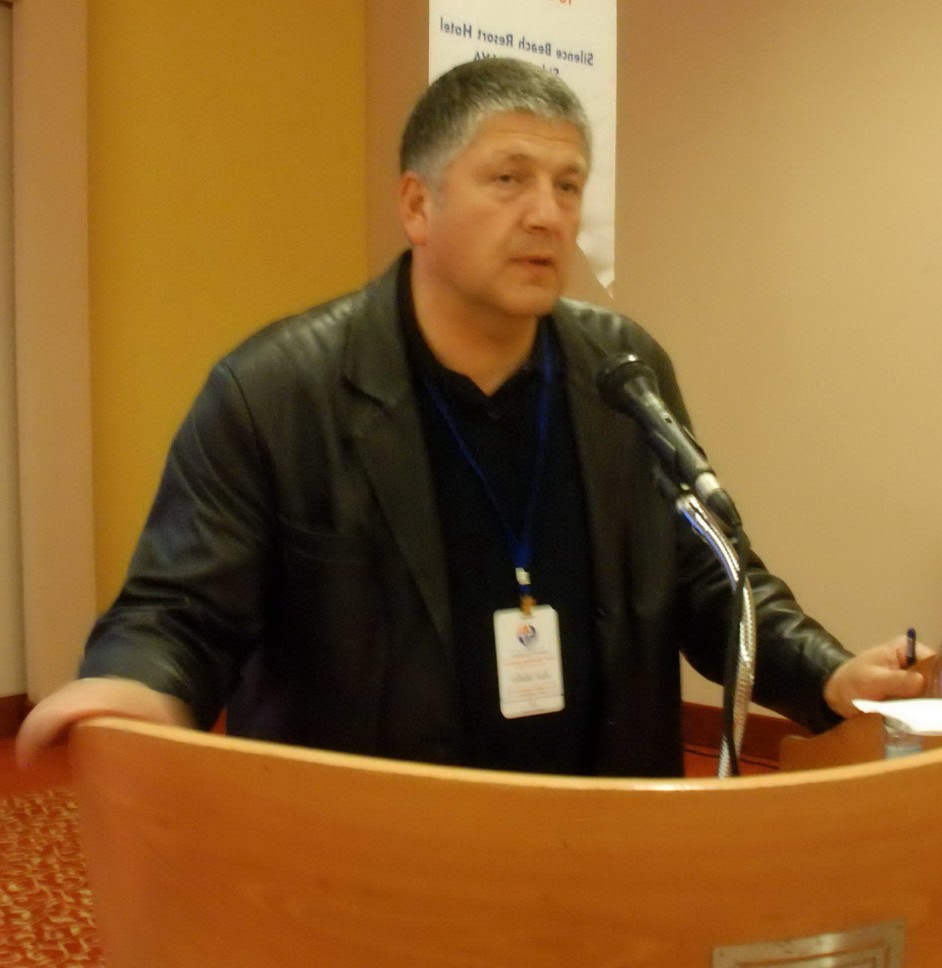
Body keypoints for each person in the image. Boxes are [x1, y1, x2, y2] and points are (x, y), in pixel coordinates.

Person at [17, 58, 928, 776]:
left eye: (568, 186)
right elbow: (180, 611)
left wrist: (827, 671)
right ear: (419, 204)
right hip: (375, 844)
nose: (548, 215)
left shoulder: (623, 371)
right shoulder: (278, 390)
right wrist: (135, 686)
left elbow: (712, 579)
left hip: (601, 825)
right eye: (509, 178)